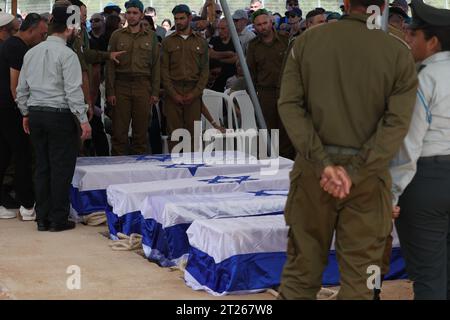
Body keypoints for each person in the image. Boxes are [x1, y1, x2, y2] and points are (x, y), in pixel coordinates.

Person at [277, 0, 418, 300]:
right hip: (368, 184)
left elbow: (289, 106)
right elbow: (396, 124)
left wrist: (324, 164)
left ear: (344, 4)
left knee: (301, 275)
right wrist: (355, 173)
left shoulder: (307, 42)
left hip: (313, 178)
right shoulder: (396, 52)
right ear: (380, 7)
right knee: (361, 281)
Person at [390, 0, 450, 300]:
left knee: (429, 277)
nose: (407, 39)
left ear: (433, 41)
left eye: (413, 34)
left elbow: (408, 143)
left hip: (427, 181)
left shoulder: (423, 78)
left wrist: (391, 193)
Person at [16, 4, 91, 232]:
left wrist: (26, 113)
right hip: (59, 116)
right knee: (61, 167)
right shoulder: (67, 55)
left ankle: (42, 218)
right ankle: (58, 219)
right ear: (69, 28)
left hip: (36, 114)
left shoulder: (31, 52)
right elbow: (73, 91)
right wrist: (83, 120)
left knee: (42, 166)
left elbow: (22, 89)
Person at [0, 13, 48, 220]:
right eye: (42, 32)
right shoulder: (16, 47)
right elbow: (15, 86)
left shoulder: (13, 45)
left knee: (5, 154)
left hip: (7, 109)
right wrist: (25, 112)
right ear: (32, 29)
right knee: (22, 155)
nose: (44, 36)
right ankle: (27, 204)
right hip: (11, 110)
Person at [106, 0, 160, 156]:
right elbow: (110, 66)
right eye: (128, 13)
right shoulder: (116, 36)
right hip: (121, 85)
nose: (131, 16)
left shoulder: (151, 37)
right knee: (119, 134)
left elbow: (156, 66)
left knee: (141, 134)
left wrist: (155, 91)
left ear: (141, 15)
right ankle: (117, 170)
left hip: (143, 86)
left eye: (135, 13)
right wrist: (110, 91)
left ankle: (139, 172)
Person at [247, 9, 294, 160]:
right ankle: (271, 164)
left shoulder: (286, 40)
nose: (263, 27)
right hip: (265, 94)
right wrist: (254, 96)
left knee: (288, 130)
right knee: (268, 132)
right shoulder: (253, 46)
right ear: (254, 27)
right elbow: (250, 73)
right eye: (259, 25)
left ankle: (287, 166)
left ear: (271, 22)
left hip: (287, 92)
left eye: (265, 23)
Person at [160, 4, 209, 151]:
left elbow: (205, 71)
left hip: (193, 90)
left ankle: (193, 169)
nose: (179, 22)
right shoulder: (168, 41)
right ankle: (174, 168)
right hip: (173, 90)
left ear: (189, 18)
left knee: (193, 134)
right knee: (174, 134)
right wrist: (172, 93)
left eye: (182, 18)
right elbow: (164, 70)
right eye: (176, 19)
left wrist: (194, 93)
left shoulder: (201, 42)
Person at [209, 18, 237, 92]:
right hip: (216, 79)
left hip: (230, 78)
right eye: (218, 29)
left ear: (229, 29)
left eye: (223, 29)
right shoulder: (214, 40)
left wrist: (217, 58)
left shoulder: (235, 41)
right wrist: (229, 53)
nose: (220, 31)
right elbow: (210, 54)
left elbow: (235, 59)